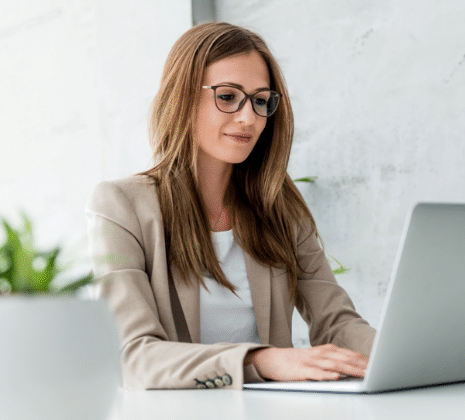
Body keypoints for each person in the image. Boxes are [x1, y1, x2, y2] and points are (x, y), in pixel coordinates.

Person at [86, 22, 376, 390]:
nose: (248, 118)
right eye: (227, 96)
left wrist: (399, 354)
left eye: (260, 100)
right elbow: (134, 357)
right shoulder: (120, 205)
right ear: (182, 96)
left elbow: (337, 323)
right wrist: (260, 360)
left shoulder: (278, 203)